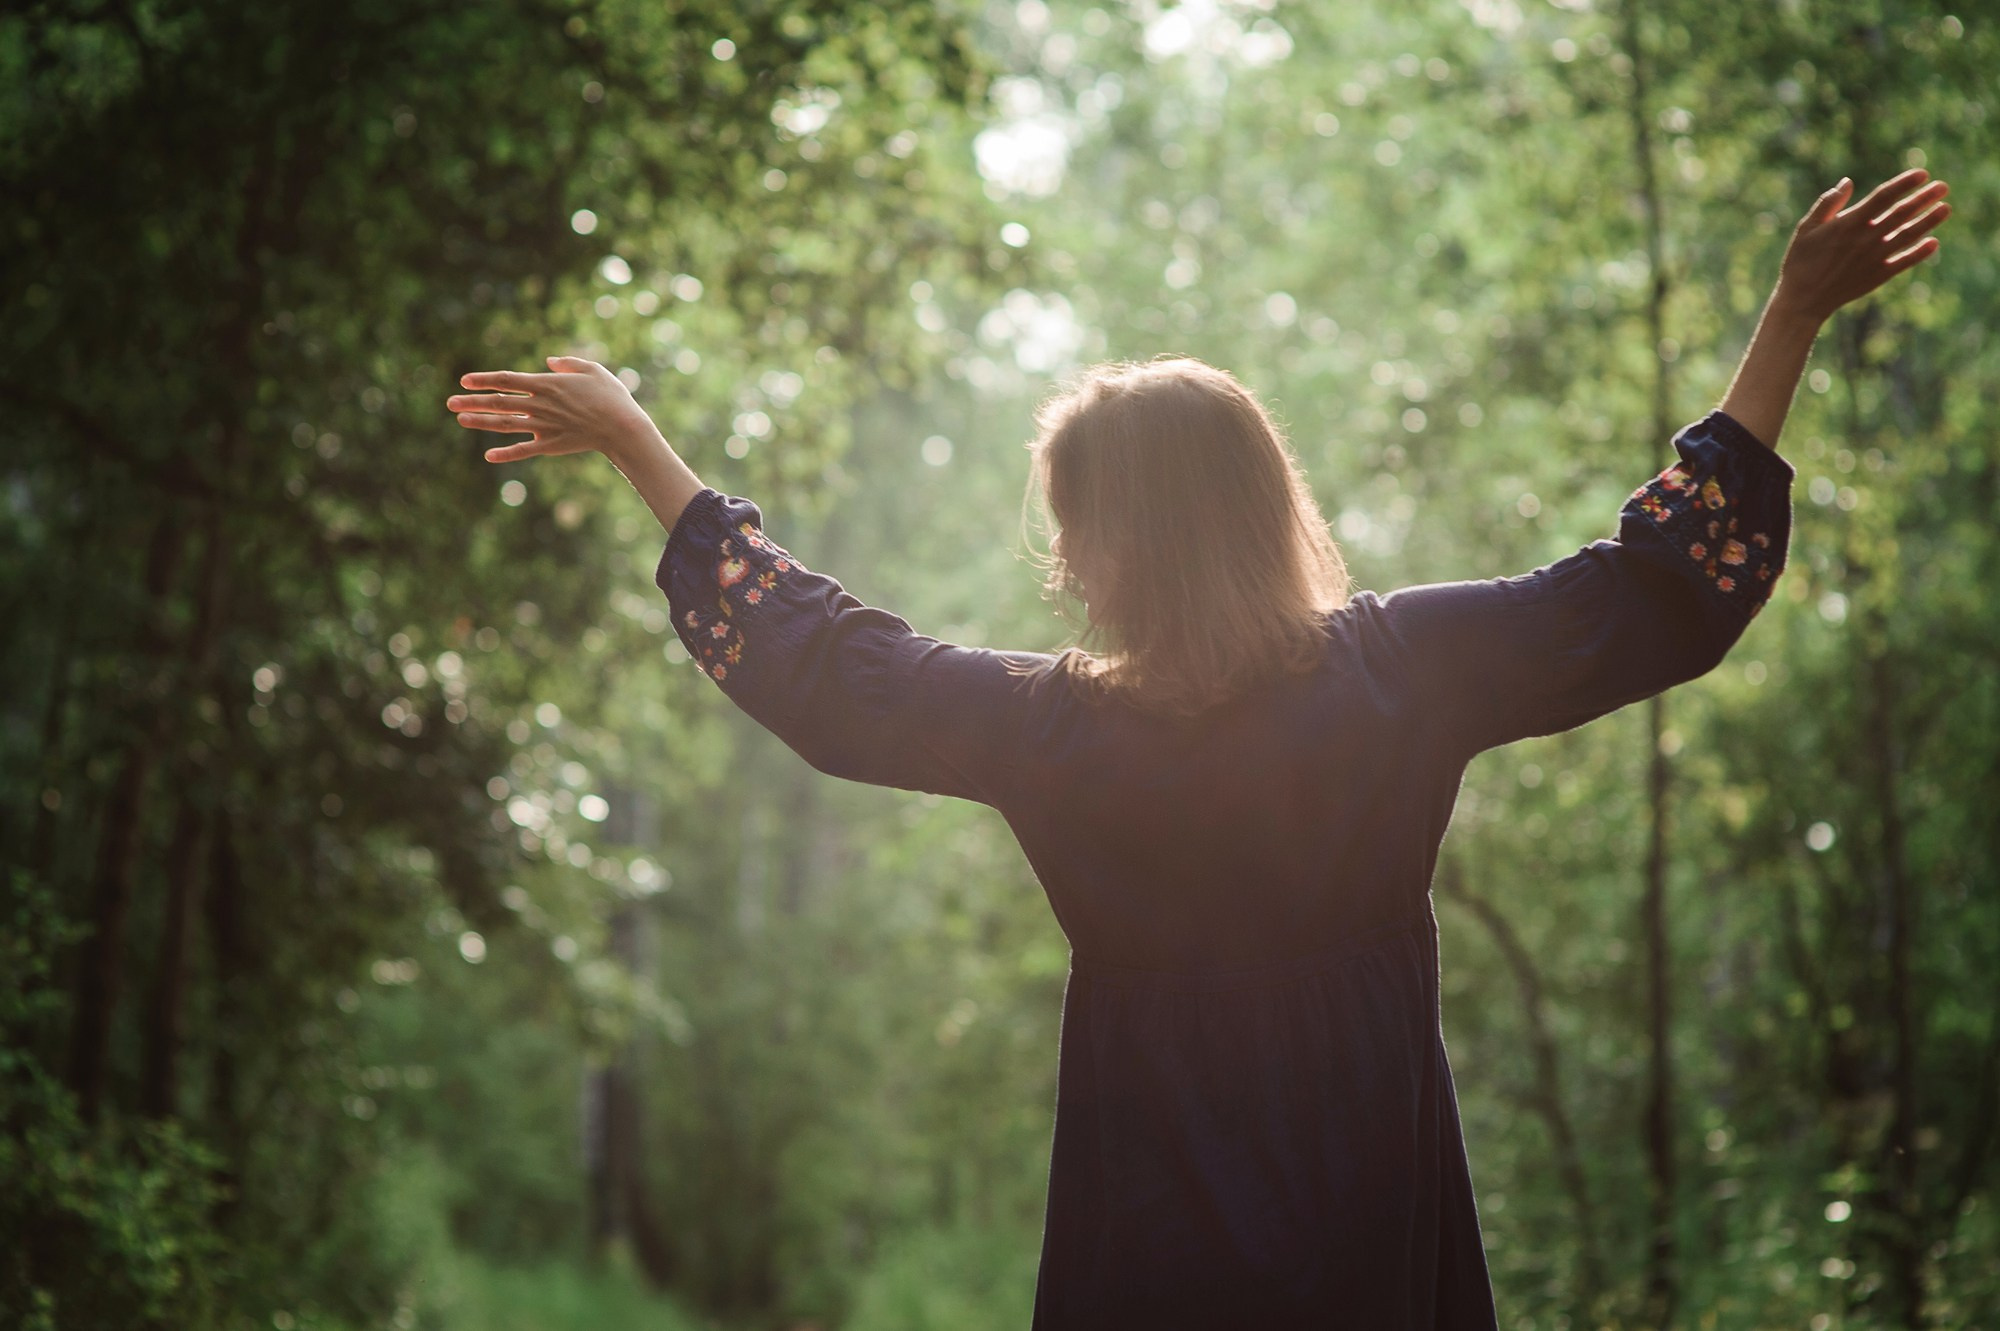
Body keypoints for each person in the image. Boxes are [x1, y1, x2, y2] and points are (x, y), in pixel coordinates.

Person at [446, 168, 1949, 1328]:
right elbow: (1661, 593)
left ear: (1104, 550)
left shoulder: (1049, 730)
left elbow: (829, 671)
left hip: (1145, 1229)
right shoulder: (1404, 669)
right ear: (1259, 506)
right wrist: (1791, 317)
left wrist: (650, 450)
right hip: (1370, 1196)